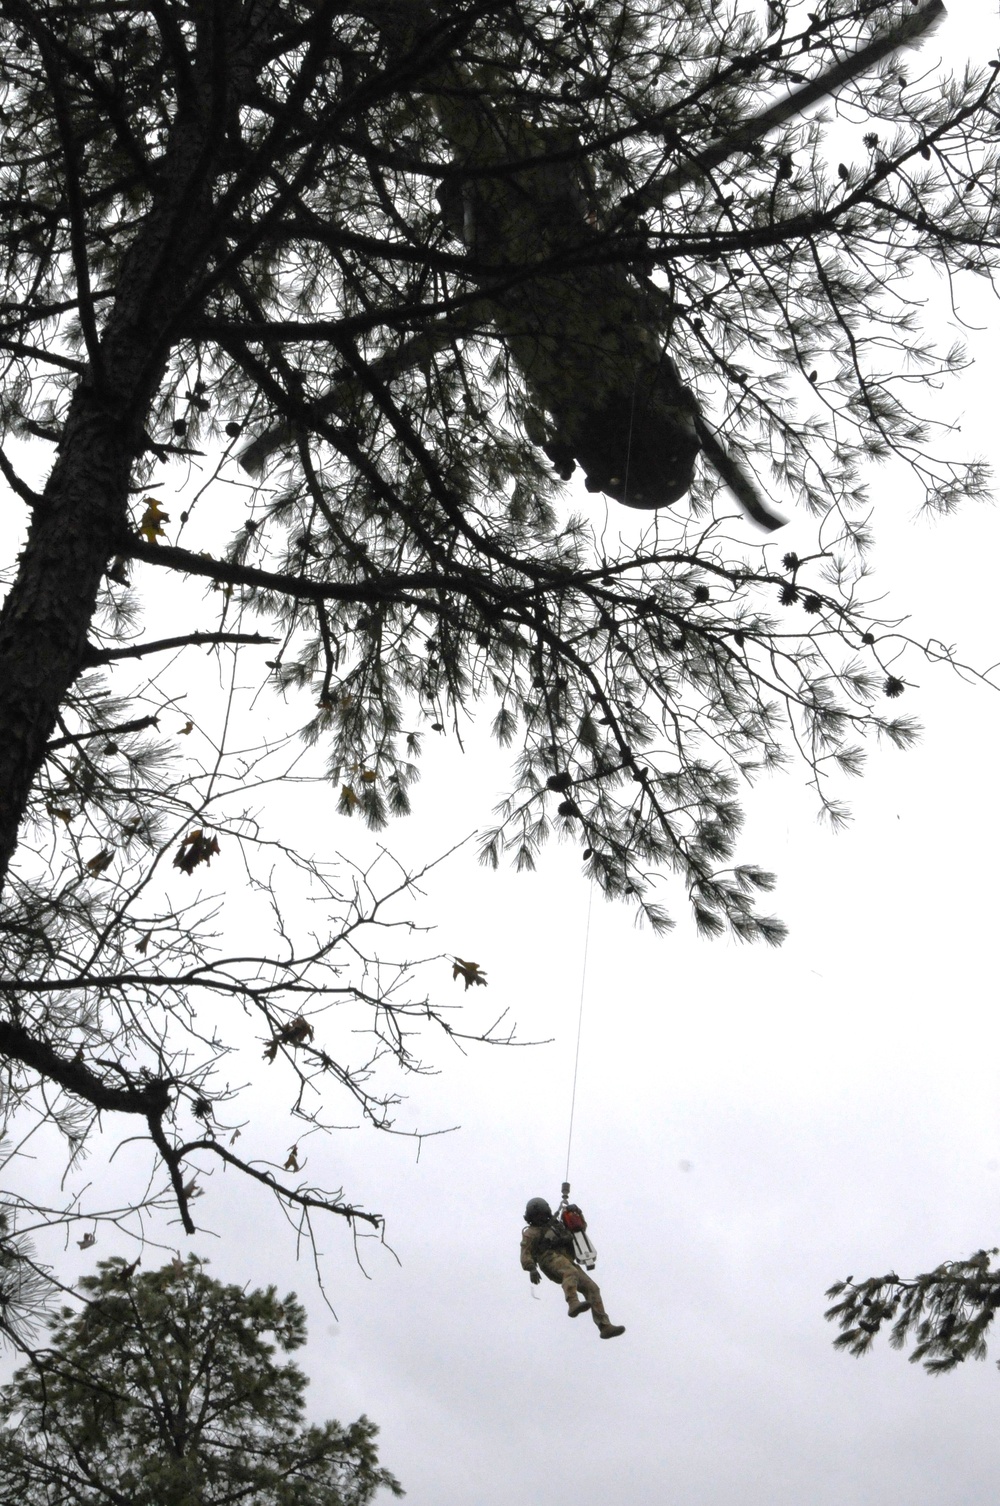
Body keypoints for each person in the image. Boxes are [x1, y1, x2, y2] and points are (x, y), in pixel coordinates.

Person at [520, 1197, 625, 1339]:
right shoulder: (531, 1233)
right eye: (536, 1217)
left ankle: (604, 1326)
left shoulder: (556, 1225)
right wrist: (531, 1268)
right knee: (570, 1272)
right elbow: (525, 1252)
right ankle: (572, 1303)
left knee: (592, 1288)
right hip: (548, 1259)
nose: (540, 1219)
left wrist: (576, 1213)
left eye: (542, 1215)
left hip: (567, 1260)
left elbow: (579, 1229)